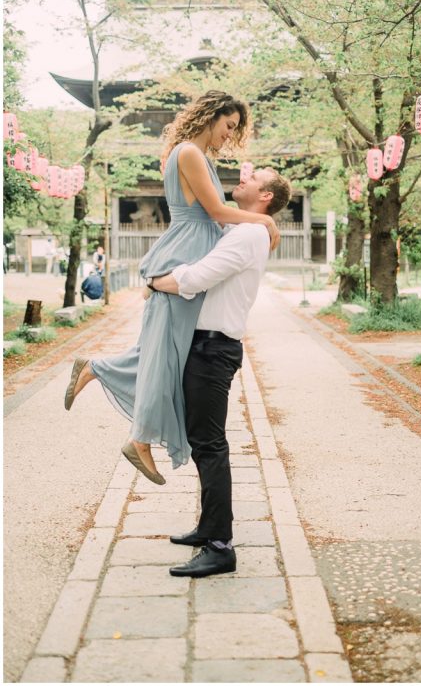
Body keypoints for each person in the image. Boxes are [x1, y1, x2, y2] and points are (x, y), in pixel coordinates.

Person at [63, 91, 281, 485]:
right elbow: (214, 213)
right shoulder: (190, 153)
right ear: (211, 116)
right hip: (187, 251)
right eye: (228, 126)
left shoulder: (193, 154)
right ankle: (139, 437)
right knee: (166, 354)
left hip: (191, 251)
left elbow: (215, 216)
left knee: (164, 351)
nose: (228, 136)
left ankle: (110, 390)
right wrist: (263, 222)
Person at [149, 167, 291, 577]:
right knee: (203, 442)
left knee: (210, 445)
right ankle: (208, 527)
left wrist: (156, 281)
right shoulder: (245, 228)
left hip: (213, 348)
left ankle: (220, 546)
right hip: (208, 345)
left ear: (265, 196)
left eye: (253, 178)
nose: (242, 178)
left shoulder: (247, 234)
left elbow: (197, 277)